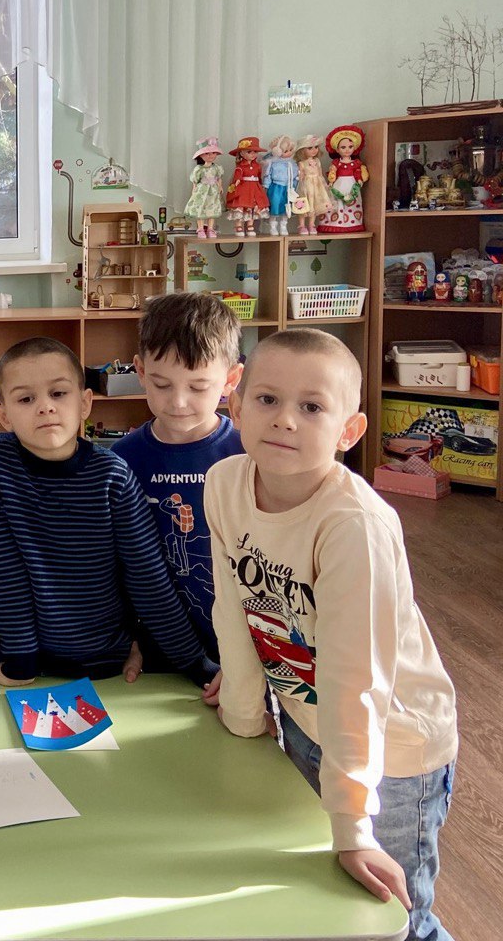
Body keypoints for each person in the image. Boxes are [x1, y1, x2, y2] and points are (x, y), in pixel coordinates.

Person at [209, 328, 457, 939]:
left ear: (349, 430)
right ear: (236, 405)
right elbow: (233, 609)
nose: (285, 419)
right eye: (267, 399)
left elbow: (357, 681)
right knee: (322, 907)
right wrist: (243, 714)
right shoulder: (224, 483)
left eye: (312, 407)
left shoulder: (353, 526)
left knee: (391, 920)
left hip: (392, 750)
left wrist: (353, 826)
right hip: (304, 719)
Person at [0, 337, 218, 691]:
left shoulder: (113, 476)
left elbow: (147, 576)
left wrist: (196, 664)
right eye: (26, 399)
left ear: (85, 402)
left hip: (104, 662)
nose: (45, 407)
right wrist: (20, 659)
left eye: (58, 394)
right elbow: (2, 565)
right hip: (19, 660)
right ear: (3, 416)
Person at [112, 293, 243, 667]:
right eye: (162, 384)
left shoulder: (248, 455)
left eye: (198, 387)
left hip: (239, 647)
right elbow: (114, 563)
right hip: (154, 649)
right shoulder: (121, 460)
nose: (178, 402)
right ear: (140, 371)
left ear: (230, 379)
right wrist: (126, 640)